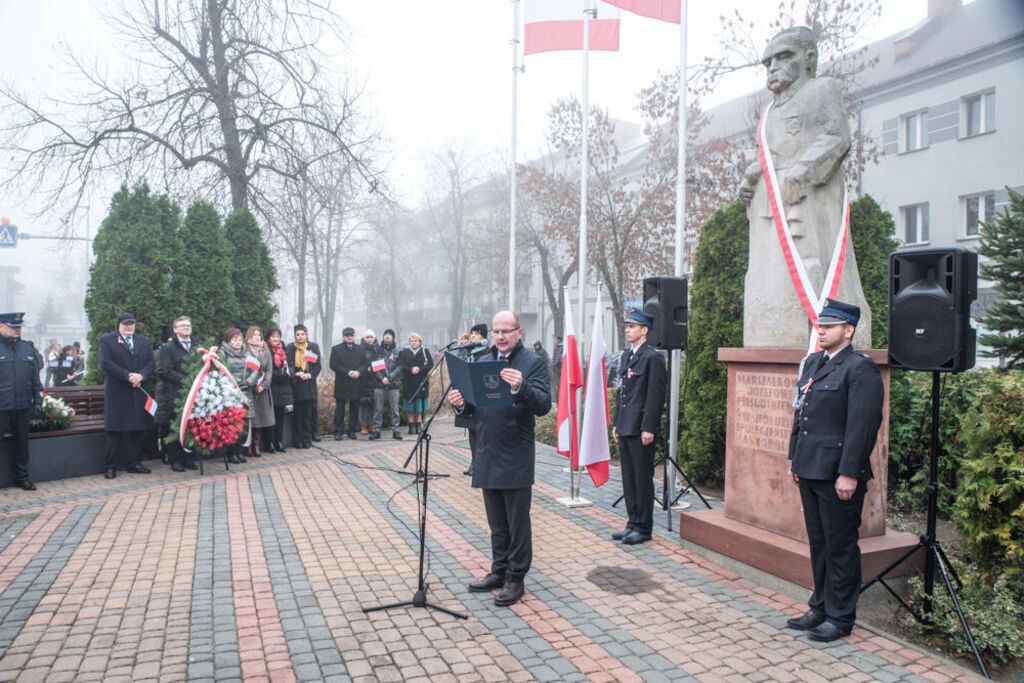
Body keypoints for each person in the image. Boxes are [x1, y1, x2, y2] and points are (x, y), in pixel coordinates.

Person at [738, 26, 871, 349]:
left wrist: (803, 171)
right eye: (768, 62)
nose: (773, 67)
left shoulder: (821, 90)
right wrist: (750, 177)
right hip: (770, 203)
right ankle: (769, 329)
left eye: (783, 57)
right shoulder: (770, 111)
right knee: (769, 269)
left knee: (810, 263)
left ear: (808, 58)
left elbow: (836, 138)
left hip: (807, 200)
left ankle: (817, 330)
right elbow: (771, 155)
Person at [785, 298, 884, 643]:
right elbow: (802, 413)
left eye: (829, 325)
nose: (821, 329)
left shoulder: (859, 368)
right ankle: (821, 605)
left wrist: (850, 473)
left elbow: (863, 425)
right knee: (819, 542)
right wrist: (795, 458)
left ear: (848, 330)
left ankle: (841, 617)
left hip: (837, 473)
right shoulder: (813, 363)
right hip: (810, 467)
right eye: (819, 324)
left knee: (840, 545)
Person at [448, 311, 551, 607]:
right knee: (496, 522)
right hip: (487, 450)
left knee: (517, 522)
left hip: (515, 452)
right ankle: (499, 570)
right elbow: (473, 407)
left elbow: (543, 405)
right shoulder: (481, 362)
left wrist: (521, 386)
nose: (501, 336)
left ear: (519, 332)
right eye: (496, 331)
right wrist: (460, 404)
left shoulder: (533, 363)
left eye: (507, 331)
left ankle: (516, 578)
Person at [610, 308, 668, 545]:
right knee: (628, 478)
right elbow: (622, 391)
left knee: (642, 479)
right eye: (627, 326)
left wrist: (649, 427)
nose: (627, 329)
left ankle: (643, 528)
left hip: (640, 426)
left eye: (632, 326)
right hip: (625, 424)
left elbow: (655, 396)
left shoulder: (653, 357)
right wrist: (616, 422)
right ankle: (632, 522)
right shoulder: (626, 356)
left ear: (644, 330)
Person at [98, 312, 155, 479]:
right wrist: (128, 376)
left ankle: (134, 463)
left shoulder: (143, 341)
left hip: (138, 391)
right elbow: (106, 363)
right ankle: (110, 466)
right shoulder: (107, 340)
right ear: (119, 325)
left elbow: (150, 362)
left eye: (132, 324)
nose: (129, 327)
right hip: (118, 391)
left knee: (138, 430)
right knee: (114, 431)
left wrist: (141, 376)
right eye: (126, 324)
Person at [0, 312, 43, 490]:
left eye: (19, 327)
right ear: (1, 327)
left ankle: (22, 477)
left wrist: (38, 400)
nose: (17, 330)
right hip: (2, 406)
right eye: (13, 327)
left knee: (22, 445)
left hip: (22, 405)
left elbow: (35, 379)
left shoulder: (27, 348)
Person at [157, 316, 198, 472]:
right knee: (177, 426)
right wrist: (187, 381)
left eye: (188, 325)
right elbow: (167, 371)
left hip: (195, 393)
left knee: (193, 425)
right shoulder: (168, 348)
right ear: (175, 330)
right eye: (182, 325)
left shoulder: (197, 344)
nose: (186, 327)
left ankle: (189, 457)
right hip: (176, 393)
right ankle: (177, 459)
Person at [455, 323, 490, 475]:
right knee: (471, 431)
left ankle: (481, 463)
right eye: (472, 334)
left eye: (477, 334)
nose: (473, 336)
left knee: (481, 431)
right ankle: (473, 462)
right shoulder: (467, 353)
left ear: (483, 337)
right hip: (467, 397)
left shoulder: (486, 353)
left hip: (480, 397)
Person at [220, 328, 258, 464]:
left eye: (240, 340)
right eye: (234, 340)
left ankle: (239, 451)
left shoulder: (248, 353)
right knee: (232, 423)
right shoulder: (223, 353)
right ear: (229, 341)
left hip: (245, 391)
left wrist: (248, 382)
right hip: (231, 392)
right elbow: (221, 371)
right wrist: (233, 384)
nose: (237, 342)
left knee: (243, 423)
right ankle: (231, 453)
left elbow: (255, 369)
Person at [287, 324, 321, 449]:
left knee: (308, 415)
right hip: (296, 384)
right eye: (298, 334)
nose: (300, 337)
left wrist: (310, 375)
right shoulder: (290, 348)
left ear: (306, 334)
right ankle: (297, 440)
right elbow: (288, 364)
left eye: (302, 334)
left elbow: (318, 366)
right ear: (295, 336)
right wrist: (295, 373)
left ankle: (307, 439)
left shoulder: (313, 347)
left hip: (309, 384)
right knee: (297, 415)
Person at [244, 326, 274, 458]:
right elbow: (244, 369)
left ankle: (256, 444)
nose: (257, 337)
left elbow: (269, 369)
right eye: (254, 335)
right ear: (249, 336)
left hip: (262, 389)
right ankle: (247, 446)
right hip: (250, 388)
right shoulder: (245, 350)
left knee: (260, 418)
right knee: (250, 418)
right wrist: (252, 383)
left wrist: (264, 384)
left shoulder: (265, 350)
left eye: (259, 335)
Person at [329, 327, 363, 440]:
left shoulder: (360, 349)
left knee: (354, 408)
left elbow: (365, 363)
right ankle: (338, 431)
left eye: (351, 335)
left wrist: (359, 372)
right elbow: (333, 364)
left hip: (356, 382)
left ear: (354, 336)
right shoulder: (336, 349)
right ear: (343, 337)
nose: (349, 337)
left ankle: (352, 430)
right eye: (347, 335)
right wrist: (347, 372)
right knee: (340, 408)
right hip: (342, 382)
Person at [369, 328, 403, 441]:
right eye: (385, 334)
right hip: (380, 384)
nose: (387, 336)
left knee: (394, 409)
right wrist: (382, 378)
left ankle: (396, 431)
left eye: (390, 335)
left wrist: (391, 376)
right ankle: (377, 430)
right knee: (378, 409)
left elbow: (400, 367)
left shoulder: (398, 351)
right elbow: (375, 367)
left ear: (393, 337)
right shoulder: (378, 351)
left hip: (393, 384)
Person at [398, 332, 433, 434]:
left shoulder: (424, 351)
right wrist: (410, 369)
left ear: (419, 342)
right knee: (409, 405)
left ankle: (418, 425)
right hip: (408, 382)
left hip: (421, 381)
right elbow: (401, 365)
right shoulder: (404, 352)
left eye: (415, 341)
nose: (413, 343)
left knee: (418, 405)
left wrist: (420, 369)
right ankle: (411, 426)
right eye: (411, 341)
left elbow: (430, 364)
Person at [266, 327, 292, 453]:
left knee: (280, 417)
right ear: (269, 338)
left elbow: (290, 366)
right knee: (271, 418)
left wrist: (287, 373)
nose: (276, 339)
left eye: (278, 336)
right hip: (272, 387)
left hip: (283, 388)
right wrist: (278, 374)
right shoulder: (266, 351)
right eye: (273, 336)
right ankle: (269, 442)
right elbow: (266, 369)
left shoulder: (285, 350)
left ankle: (279, 441)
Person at [357, 330, 378, 434]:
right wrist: (365, 369)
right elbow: (356, 363)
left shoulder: (378, 349)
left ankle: (372, 425)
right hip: (362, 379)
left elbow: (381, 364)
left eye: (371, 337)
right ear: (364, 339)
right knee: (362, 404)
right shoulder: (359, 350)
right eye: (367, 337)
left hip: (375, 379)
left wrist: (373, 369)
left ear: (374, 338)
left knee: (374, 404)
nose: (369, 339)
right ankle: (363, 426)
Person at [550, 336, 564, 402]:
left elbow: (558, 358)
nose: (554, 341)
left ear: (558, 341)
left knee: (558, 386)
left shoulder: (560, 348)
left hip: (558, 370)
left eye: (555, 340)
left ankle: (559, 400)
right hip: (556, 369)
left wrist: (552, 365)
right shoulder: (556, 347)